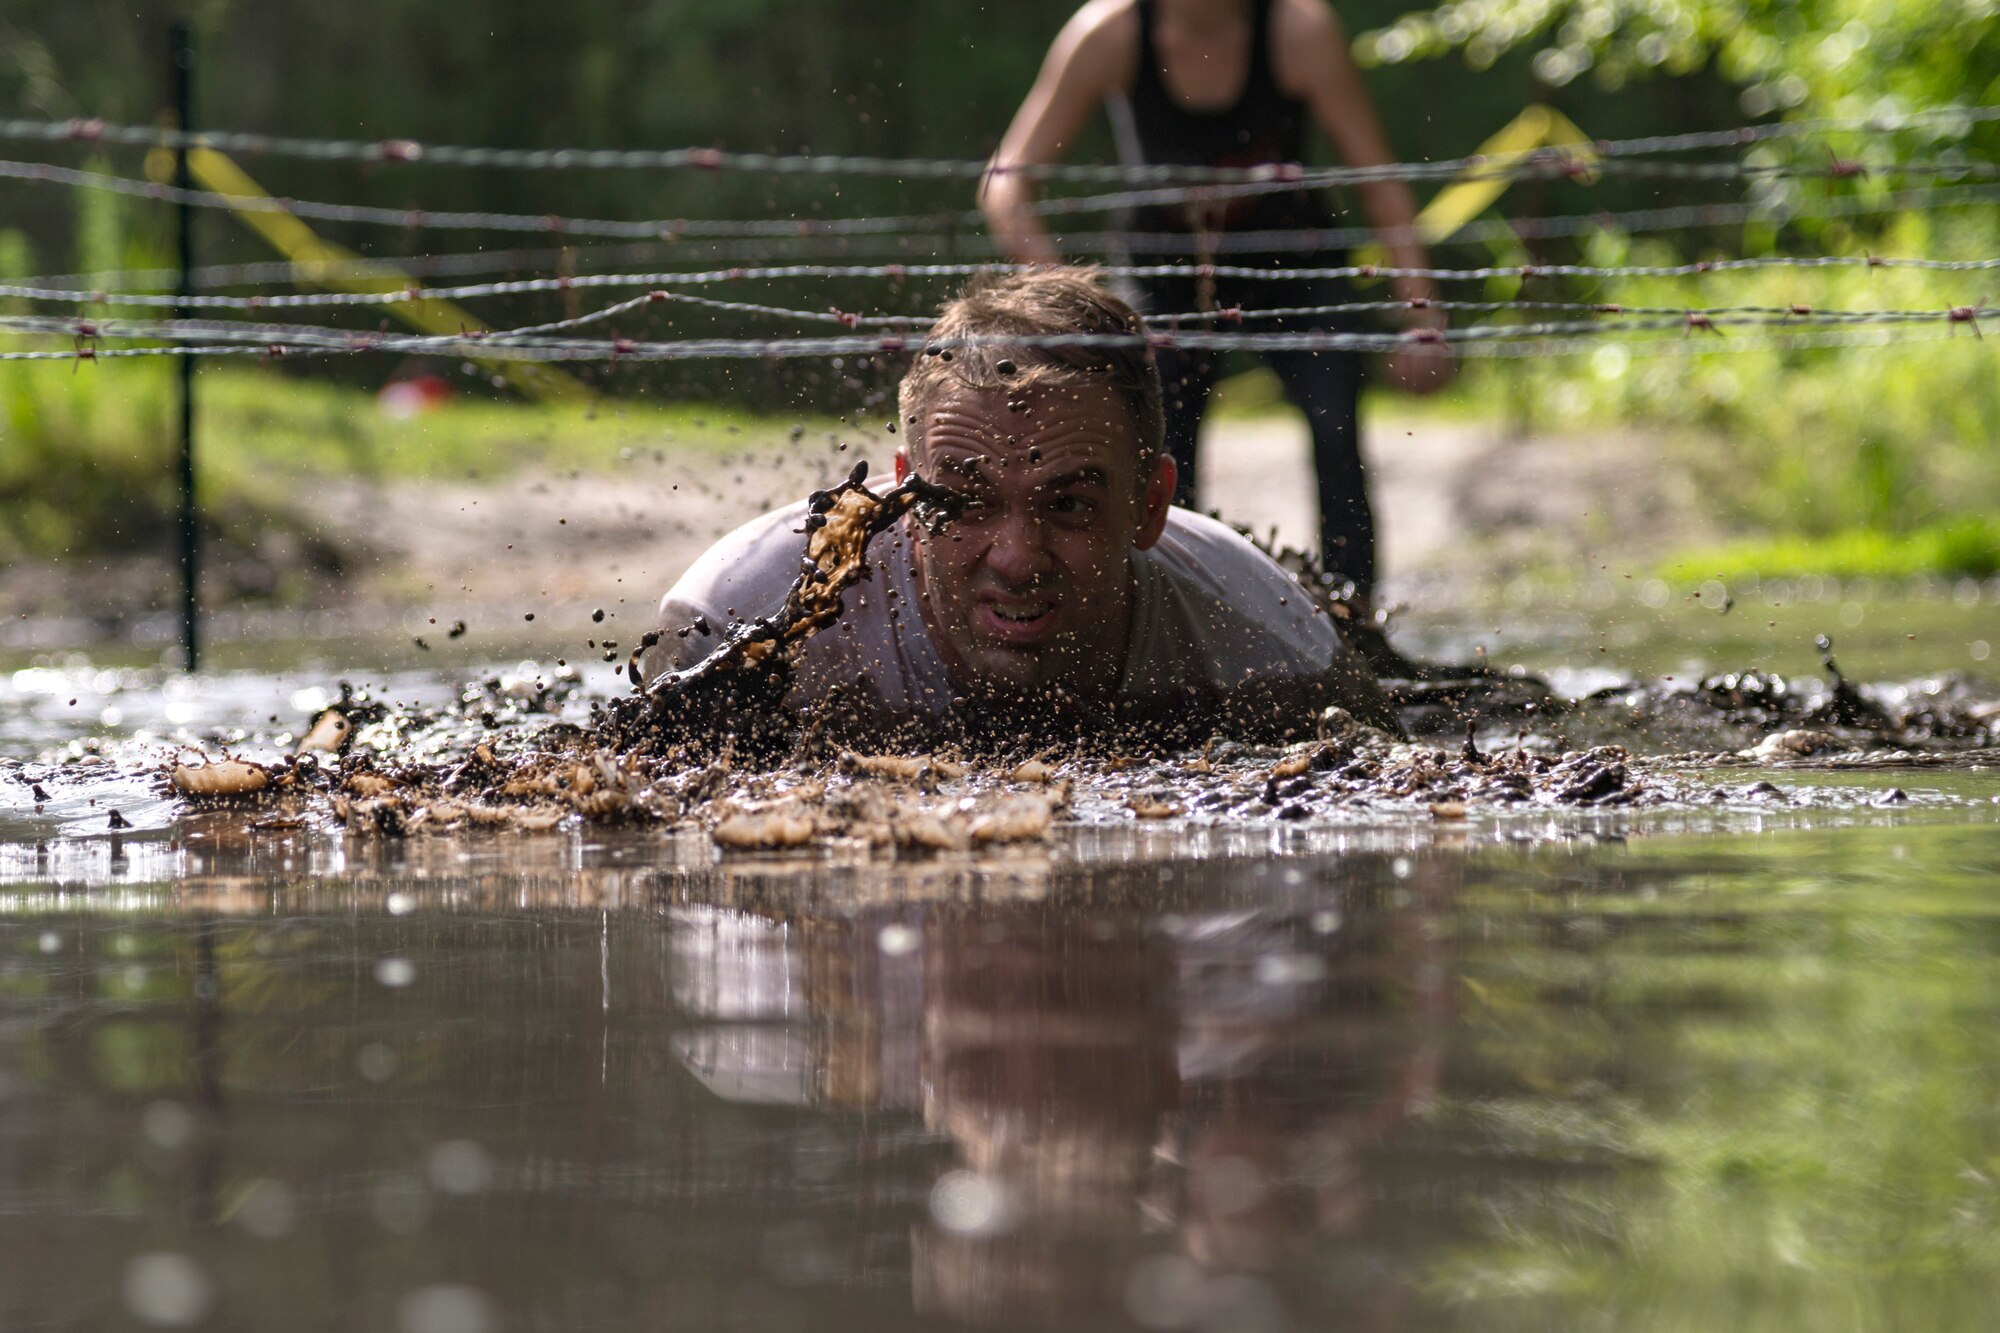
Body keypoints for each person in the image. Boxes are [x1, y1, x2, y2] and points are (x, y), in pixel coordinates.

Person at [652, 267, 1392, 741]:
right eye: (965, 500)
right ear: (907, 492)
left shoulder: (1272, 657)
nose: (1014, 557)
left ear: (1150, 505)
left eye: (1068, 504)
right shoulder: (741, 634)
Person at [978, 0, 1454, 666]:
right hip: (1163, 272)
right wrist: (1074, 305)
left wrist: (1422, 313)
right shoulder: (1109, 34)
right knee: (1162, 443)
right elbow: (1006, 185)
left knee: (1335, 424)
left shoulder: (1298, 31)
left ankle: (1357, 634)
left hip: (1293, 265)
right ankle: (1171, 631)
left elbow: (1377, 181)